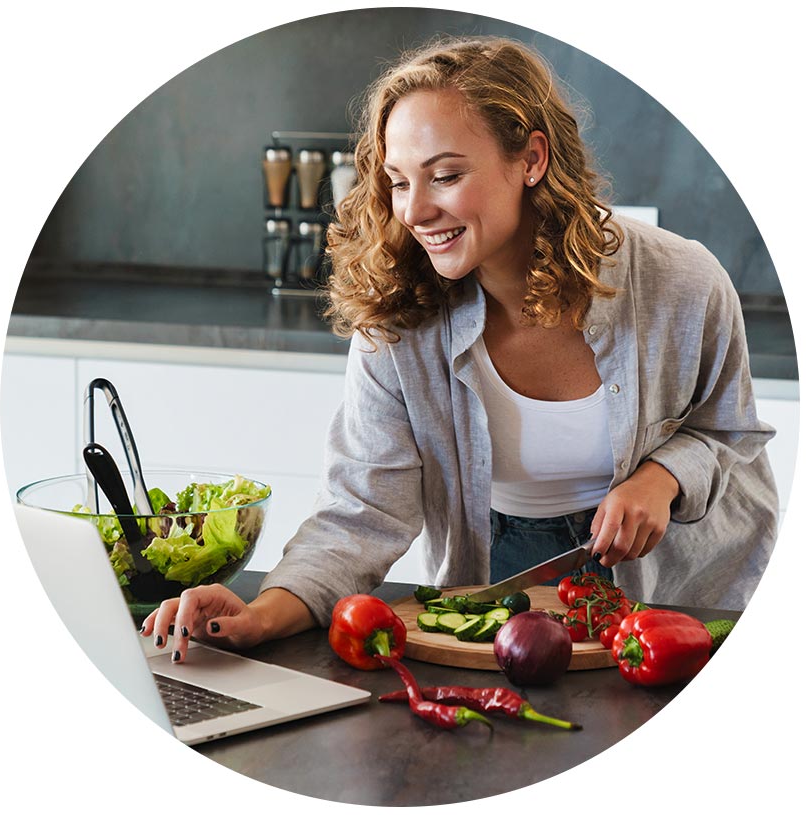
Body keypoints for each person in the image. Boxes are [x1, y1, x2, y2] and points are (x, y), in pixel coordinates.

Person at [141, 35, 778, 662]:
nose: (415, 211)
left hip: (689, 604)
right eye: (398, 181)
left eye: (445, 176)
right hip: (499, 580)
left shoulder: (681, 281)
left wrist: (663, 477)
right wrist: (260, 612)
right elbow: (361, 510)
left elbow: (730, 430)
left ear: (531, 159)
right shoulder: (396, 316)